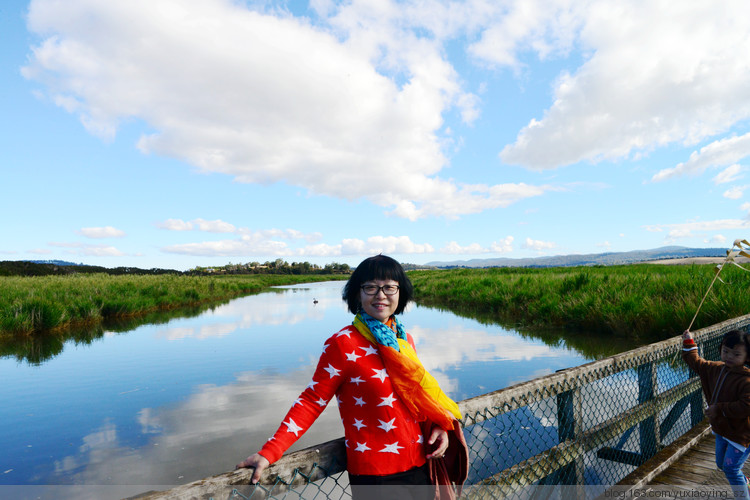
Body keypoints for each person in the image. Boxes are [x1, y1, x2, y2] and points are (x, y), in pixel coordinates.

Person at [237, 255, 468, 499]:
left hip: (421, 463)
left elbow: (417, 396)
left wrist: (440, 425)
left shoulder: (404, 340)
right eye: (371, 287)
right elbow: (312, 400)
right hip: (377, 476)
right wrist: (270, 451)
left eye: (389, 287)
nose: (381, 294)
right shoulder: (342, 344)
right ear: (357, 294)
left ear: (400, 293)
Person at [682, 328, 750, 499]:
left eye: (736, 354)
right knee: (721, 464)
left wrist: (719, 409)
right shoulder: (715, 369)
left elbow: (746, 406)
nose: (728, 357)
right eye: (725, 351)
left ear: (747, 358)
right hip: (722, 429)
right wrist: (689, 342)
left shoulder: (747, 380)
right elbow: (697, 362)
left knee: (731, 469)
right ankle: (745, 482)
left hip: (742, 433)